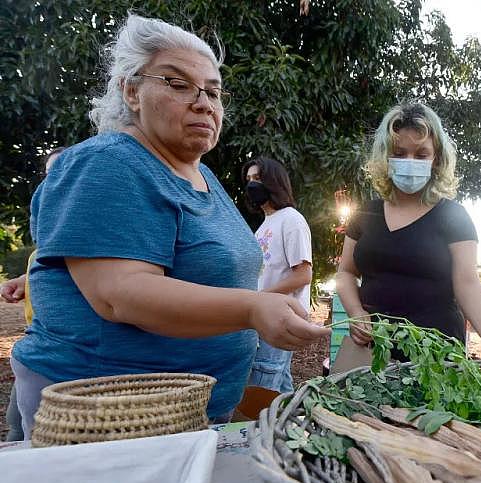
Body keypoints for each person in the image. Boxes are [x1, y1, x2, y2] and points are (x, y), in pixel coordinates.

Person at [9, 15, 328, 439]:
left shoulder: (204, 177)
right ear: (131, 90)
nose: (203, 103)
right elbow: (120, 294)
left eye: (213, 92)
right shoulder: (108, 163)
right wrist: (252, 309)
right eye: (178, 84)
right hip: (109, 417)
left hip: (186, 416)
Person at [335, 102, 481, 361]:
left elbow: (467, 282)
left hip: (435, 359)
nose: (409, 161)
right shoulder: (366, 213)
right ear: (385, 157)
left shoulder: (453, 216)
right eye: (399, 153)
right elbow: (345, 272)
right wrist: (355, 312)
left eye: (421, 154)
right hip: (371, 355)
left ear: (436, 159)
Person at [0, 147, 64, 441]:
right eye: (50, 175)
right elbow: (46, 263)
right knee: (17, 424)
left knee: (31, 431)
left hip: (57, 354)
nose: (56, 183)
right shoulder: (48, 239)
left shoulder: (83, 235)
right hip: (33, 348)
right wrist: (24, 279)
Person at [243, 157, 312, 393]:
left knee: (260, 389)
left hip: (281, 317)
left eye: (258, 179)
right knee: (280, 388)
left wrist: (258, 298)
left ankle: (256, 430)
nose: (252, 185)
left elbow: (303, 275)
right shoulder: (264, 225)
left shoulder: (292, 220)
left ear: (274, 182)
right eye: (249, 180)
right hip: (265, 316)